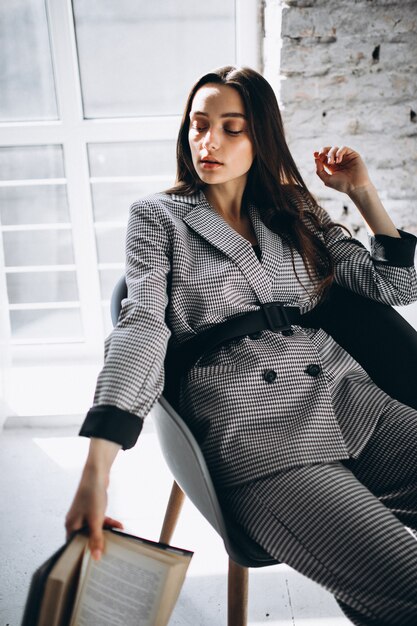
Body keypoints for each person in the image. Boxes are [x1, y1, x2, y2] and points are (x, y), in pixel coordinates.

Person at [65, 66, 417, 625]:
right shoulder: (159, 218)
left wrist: (362, 194)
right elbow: (142, 329)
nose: (209, 142)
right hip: (255, 429)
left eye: (232, 128)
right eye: (199, 125)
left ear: (263, 137)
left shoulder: (294, 208)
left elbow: (392, 285)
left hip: (348, 400)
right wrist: (96, 470)